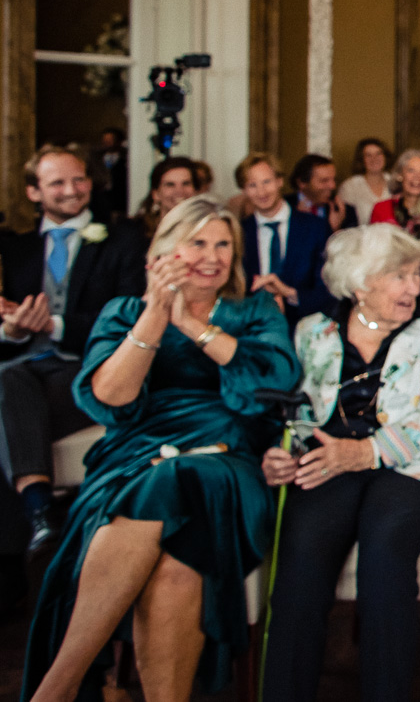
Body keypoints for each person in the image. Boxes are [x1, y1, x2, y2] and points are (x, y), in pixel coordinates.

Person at [22, 194, 301, 701]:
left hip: (229, 461)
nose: (213, 256)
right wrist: (155, 314)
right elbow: (110, 396)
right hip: (133, 459)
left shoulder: (255, 309)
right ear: (165, 250)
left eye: (223, 244)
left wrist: (191, 324)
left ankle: (54, 690)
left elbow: (274, 378)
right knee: (175, 564)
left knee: (178, 476)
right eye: (198, 243)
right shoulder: (124, 311)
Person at [260, 223, 420, 702]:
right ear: (359, 284)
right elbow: (300, 413)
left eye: (416, 274)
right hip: (332, 460)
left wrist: (368, 452)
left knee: (386, 548)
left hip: (417, 465)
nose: (414, 288)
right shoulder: (314, 331)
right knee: (302, 557)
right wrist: (285, 454)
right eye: (399, 277)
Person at [0, 146, 147, 554]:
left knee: (5, 388)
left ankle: (36, 513)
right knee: (9, 380)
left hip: (89, 369)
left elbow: (129, 317)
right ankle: (42, 516)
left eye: (79, 179)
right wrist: (11, 330)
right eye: (57, 183)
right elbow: (9, 326)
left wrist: (55, 325)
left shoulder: (123, 240)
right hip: (26, 369)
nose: (72, 190)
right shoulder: (16, 250)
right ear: (34, 192)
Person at [237, 153, 334, 327]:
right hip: (251, 330)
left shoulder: (315, 228)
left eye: (267, 182)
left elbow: (328, 288)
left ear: (279, 181)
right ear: (244, 190)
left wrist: (290, 293)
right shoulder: (239, 232)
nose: (261, 192)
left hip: (304, 327)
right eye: (252, 185)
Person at [135, 157, 200, 238]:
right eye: (170, 184)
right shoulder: (134, 233)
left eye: (186, 183)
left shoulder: (209, 230)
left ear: (196, 191)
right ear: (156, 194)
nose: (179, 191)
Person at [290, 153, 355, 231]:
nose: (332, 186)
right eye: (324, 181)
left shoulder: (346, 212)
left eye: (334, 180)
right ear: (302, 183)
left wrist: (334, 230)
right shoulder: (284, 208)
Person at [338, 138, 392, 226]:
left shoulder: (396, 183)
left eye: (378, 153)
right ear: (361, 160)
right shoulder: (350, 187)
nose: (374, 159)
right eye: (368, 155)